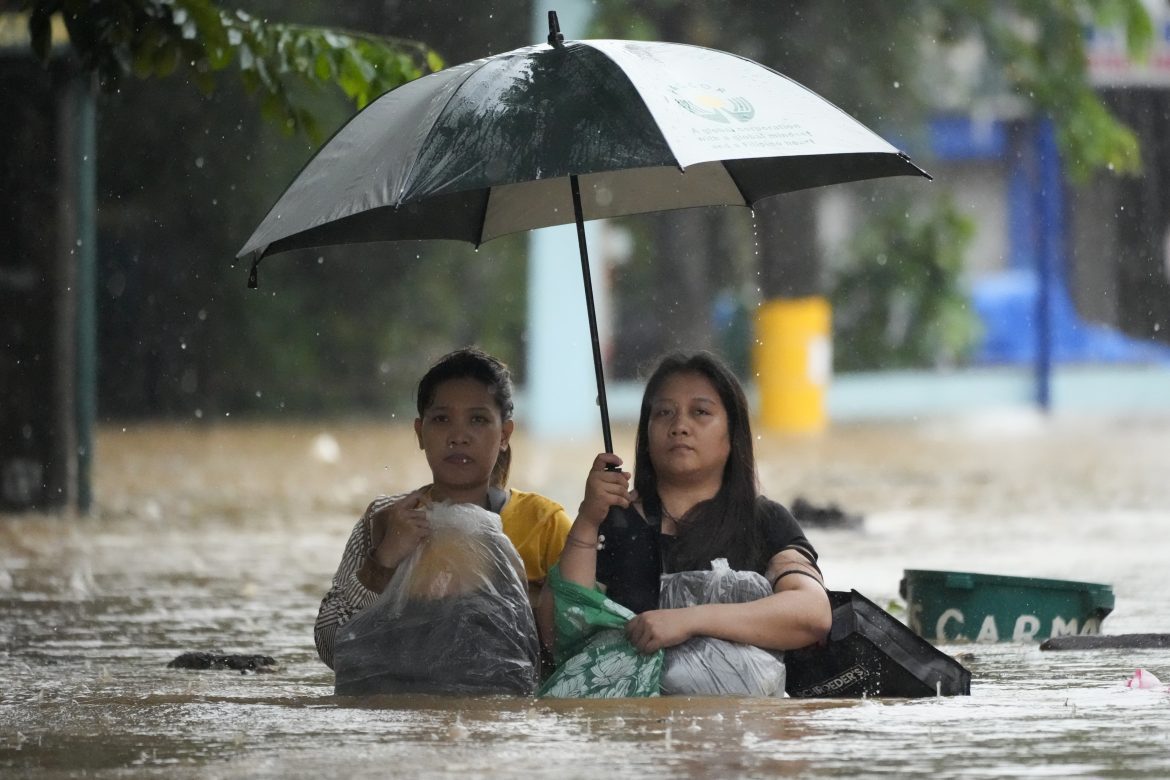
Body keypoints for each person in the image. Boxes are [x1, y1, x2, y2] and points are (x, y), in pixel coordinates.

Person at [548, 351, 832, 658]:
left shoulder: (763, 520)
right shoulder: (613, 523)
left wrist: (689, 621)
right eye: (664, 413)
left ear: (732, 434)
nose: (679, 425)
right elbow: (557, 634)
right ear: (646, 433)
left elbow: (813, 613)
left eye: (700, 412)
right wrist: (588, 520)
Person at [315, 347, 573, 671]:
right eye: (441, 419)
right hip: (406, 713)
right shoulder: (385, 519)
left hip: (504, 717)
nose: (458, 436)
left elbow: (580, 646)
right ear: (420, 433)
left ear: (505, 435)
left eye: (478, 420)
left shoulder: (545, 524)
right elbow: (331, 648)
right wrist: (382, 562)